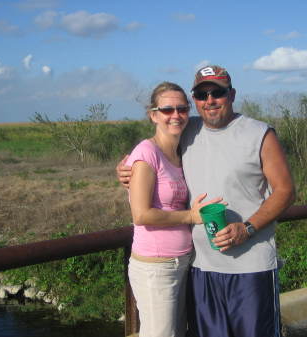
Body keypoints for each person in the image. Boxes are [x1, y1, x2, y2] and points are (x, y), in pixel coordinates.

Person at [118, 66, 295, 337]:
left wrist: (246, 228)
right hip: (200, 268)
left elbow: (285, 191)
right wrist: (126, 167)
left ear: (232, 94)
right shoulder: (188, 131)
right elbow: (151, 155)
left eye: (217, 92)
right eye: (202, 94)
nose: (210, 100)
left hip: (251, 267)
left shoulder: (259, 134)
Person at [124, 81, 223, 337]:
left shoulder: (180, 150)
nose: (176, 115)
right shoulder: (147, 153)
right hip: (156, 266)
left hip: (182, 261)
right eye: (167, 110)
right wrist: (190, 216)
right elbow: (141, 214)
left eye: (182, 108)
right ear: (153, 115)